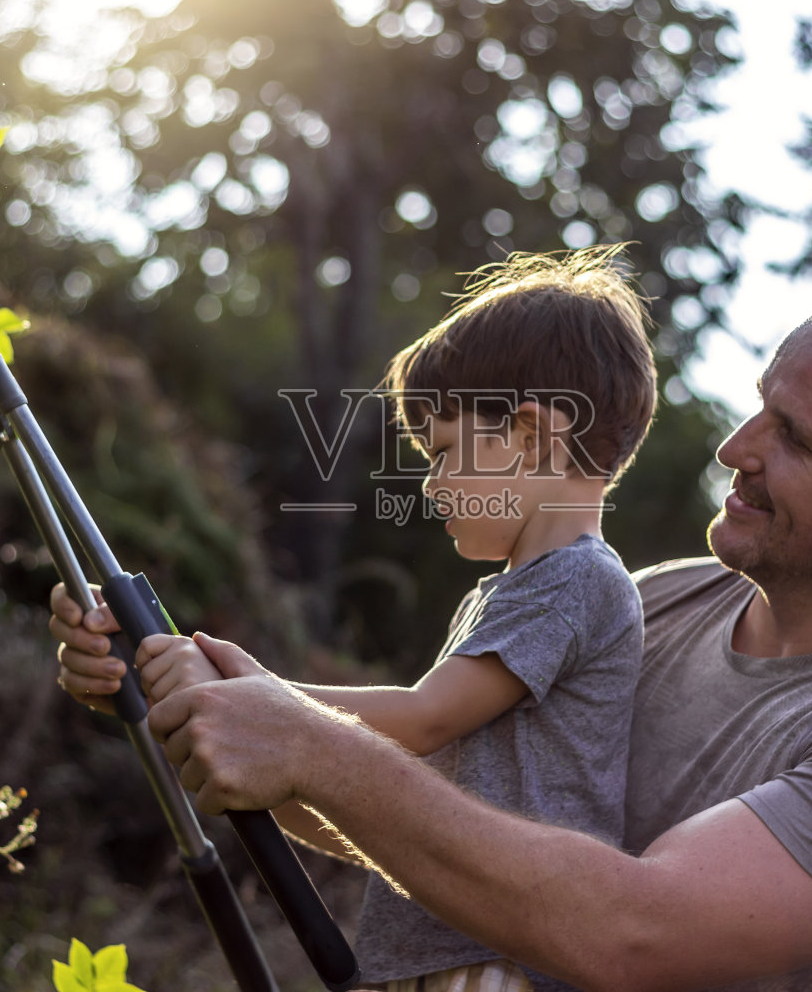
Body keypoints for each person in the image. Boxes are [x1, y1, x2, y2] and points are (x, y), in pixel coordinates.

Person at [55, 291, 812, 991]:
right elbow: (430, 828)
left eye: (795, 435)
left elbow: (629, 935)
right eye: (757, 405)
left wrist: (298, 732)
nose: (735, 446)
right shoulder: (653, 606)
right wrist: (184, 704)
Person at [81, 246, 659, 992]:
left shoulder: (577, 579)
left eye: (442, 451)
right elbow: (387, 796)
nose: (431, 483)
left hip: (500, 966)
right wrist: (195, 699)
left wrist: (247, 694)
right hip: (443, 955)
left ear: (530, 435)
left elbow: (421, 720)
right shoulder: (505, 598)